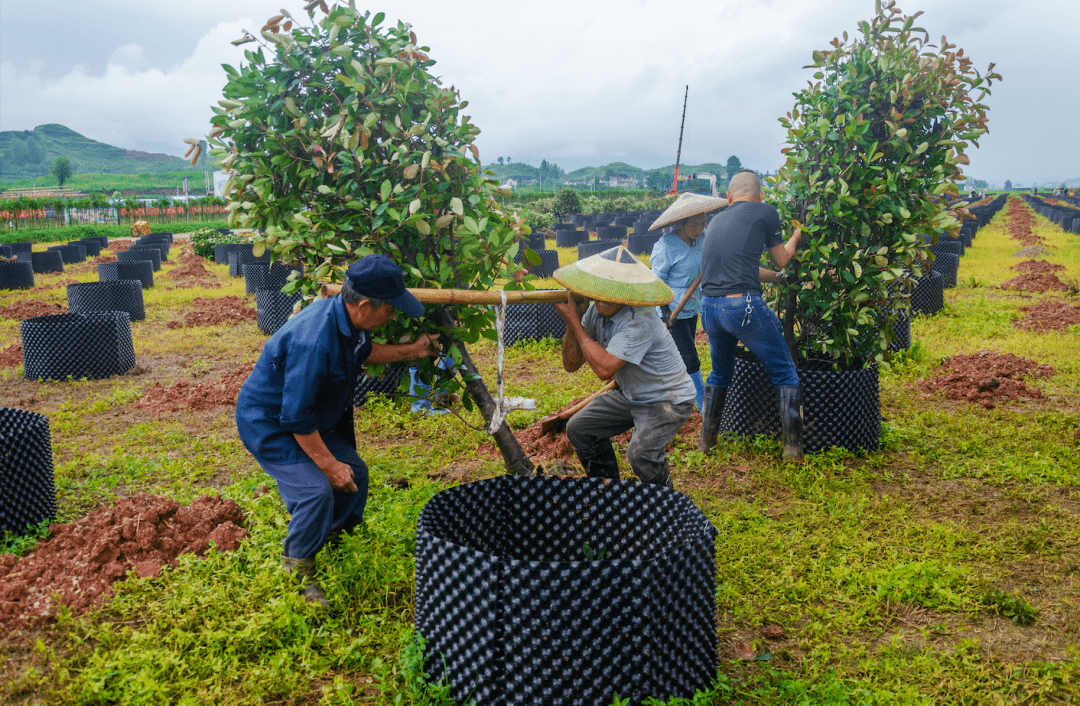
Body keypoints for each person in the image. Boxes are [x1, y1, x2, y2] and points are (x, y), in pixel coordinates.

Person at [236, 254, 439, 605]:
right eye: (390, 309)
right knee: (316, 490)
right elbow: (295, 417)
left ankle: (332, 537)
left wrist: (414, 349)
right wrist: (329, 465)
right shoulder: (313, 340)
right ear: (363, 305)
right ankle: (297, 569)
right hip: (272, 425)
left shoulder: (346, 320)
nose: (393, 315)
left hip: (306, 419)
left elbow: (365, 352)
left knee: (355, 471)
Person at [552, 246, 698, 489]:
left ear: (628, 292)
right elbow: (571, 364)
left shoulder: (640, 320)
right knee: (580, 428)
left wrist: (575, 323)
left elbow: (604, 370)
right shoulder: (595, 312)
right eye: (601, 290)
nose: (604, 298)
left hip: (667, 399)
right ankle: (609, 491)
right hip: (631, 395)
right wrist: (572, 322)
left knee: (640, 454)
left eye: (614, 292)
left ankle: (665, 497)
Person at [698, 170, 804, 459]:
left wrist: (779, 280)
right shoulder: (765, 211)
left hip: (710, 308)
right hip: (741, 307)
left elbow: (747, 269)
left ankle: (706, 442)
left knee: (720, 373)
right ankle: (793, 449)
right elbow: (781, 258)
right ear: (760, 196)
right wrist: (796, 235)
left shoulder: (716, 219)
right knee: (784, 371)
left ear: (729, 197)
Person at [649, 193, 727, 411]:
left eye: (703, 223)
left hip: (692, 306)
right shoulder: (666, 246)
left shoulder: (702, 240)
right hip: (673, 308)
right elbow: (657, 282)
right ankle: (703, 406)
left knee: (681, 353)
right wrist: (664, 310)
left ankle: (671, 395)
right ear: (680, 224)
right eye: (694, 224)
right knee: (690, 357)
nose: (699, 228)